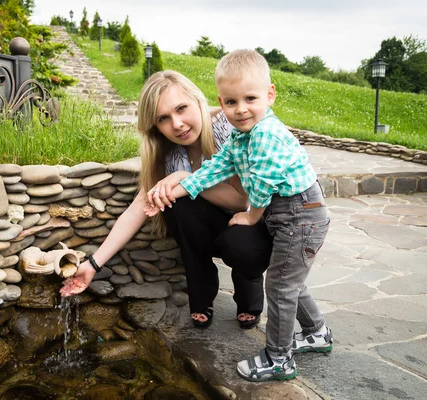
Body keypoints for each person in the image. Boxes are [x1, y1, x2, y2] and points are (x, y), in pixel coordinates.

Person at [144, 50, 332, 382]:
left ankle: (278, 358)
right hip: (288, 215)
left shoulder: (264, 135)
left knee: (280, 286)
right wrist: (176, 188)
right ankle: (317, 333)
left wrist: (251, 217)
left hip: (300, 215)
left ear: (270, 94)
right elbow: (215, 167)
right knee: (288, 277)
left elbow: (259, 185)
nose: (240, 108)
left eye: (250, 98)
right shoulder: (241, 135)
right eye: (231, 102)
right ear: (220, 101)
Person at [60, 70, 273, 330]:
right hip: (210, 225)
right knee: (178, 205)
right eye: (164, 118)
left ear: (198, 100)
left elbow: (242, 202)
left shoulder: (228, 128)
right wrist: (93, 264)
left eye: (181, 108)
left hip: (251, 222)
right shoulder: (168, 152)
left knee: (239, 244)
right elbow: (138, 208)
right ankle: (202, 295)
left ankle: (249, 296)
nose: (177, 124)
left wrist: (186, 179)